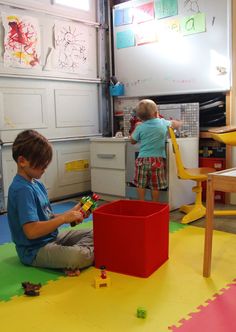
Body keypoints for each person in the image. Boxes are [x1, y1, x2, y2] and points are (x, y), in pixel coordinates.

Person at [7, 129, 94, 276]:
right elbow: (32, 231)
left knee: (96, 233)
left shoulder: (36, 184)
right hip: (33, 250)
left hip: (52, 238)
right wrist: (64, 219)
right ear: (22, 161)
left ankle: (65, 260)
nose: (45, 169)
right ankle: (70, 259)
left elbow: (47, 217)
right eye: (41, 165)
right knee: (77, 256)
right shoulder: (22, 190)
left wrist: (72, 212)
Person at [130, 99, 182, 202]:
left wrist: (136, 128)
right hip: (157, 160)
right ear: (156, 113)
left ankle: (141, 203)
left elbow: (132, 141)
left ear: (140, 117)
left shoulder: (141, 126)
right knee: (155, 185)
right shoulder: (163, 122)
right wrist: (180, 122)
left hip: (142, 160)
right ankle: (155, 204)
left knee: (141, 183)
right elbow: (175, 124)